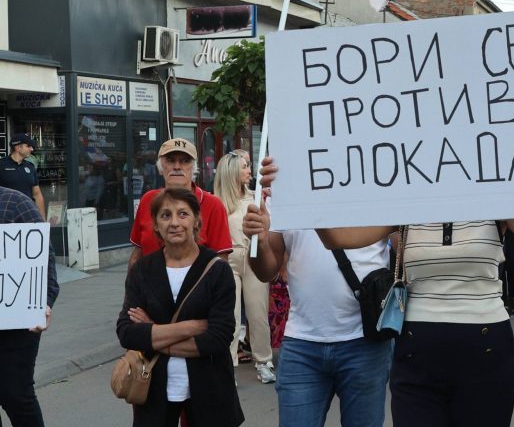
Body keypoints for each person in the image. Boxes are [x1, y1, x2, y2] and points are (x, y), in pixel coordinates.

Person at [250, 157, 514, 426]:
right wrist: (300, 192)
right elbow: (337, 238)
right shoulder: (406, 197)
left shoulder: (495, 189)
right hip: (417, 351)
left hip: (485, 346)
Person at [243, 200, 393, 427]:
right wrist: (260, 242)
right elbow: (267, 271)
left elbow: (406, 247)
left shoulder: (373, 178)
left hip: (365, 341)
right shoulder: (285, 187)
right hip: (302, 345)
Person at [117, 188, 243, 426]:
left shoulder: (217, 270)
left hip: (210, 390)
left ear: (197, 220)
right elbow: (126, 332)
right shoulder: (142, 270)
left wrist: (152, 332)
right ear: (155, 225)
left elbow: (219, 337)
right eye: (165, 215)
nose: (174, 222)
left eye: (183, 214)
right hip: (154, 391)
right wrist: (191, 327)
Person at [213, 152, 275, 384]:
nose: (249, 170)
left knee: (258, 313)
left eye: (248, 166)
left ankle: (264, 361)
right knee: (230, 316)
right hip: (227, 260)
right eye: (244, 167)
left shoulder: (255, 198)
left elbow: (268, 228)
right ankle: (227, 365)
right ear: (231, 173)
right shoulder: (217, 202)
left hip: (252, 256)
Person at [0, 186, 58, 426]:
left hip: (16, 324)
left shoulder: (16, 203)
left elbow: (46, 260)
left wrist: (43, 303)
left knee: (15, 395)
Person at [130, 139, 232, 267]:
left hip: (197, 285)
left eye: (185, 161)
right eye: (171, 160)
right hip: (150, 284)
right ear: (161, 167)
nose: (177, 166)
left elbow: (221, 261)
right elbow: (137, 254)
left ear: (194, 168)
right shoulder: (148, 200)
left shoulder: (213, 205)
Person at [0, 133, 45, 216]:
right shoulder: (1, 165)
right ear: (18, 148)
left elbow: (37, 195)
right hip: (5, 217)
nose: (32, 149)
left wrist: (42, 221)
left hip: (27, 215)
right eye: (28, 146)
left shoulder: (30, 167)